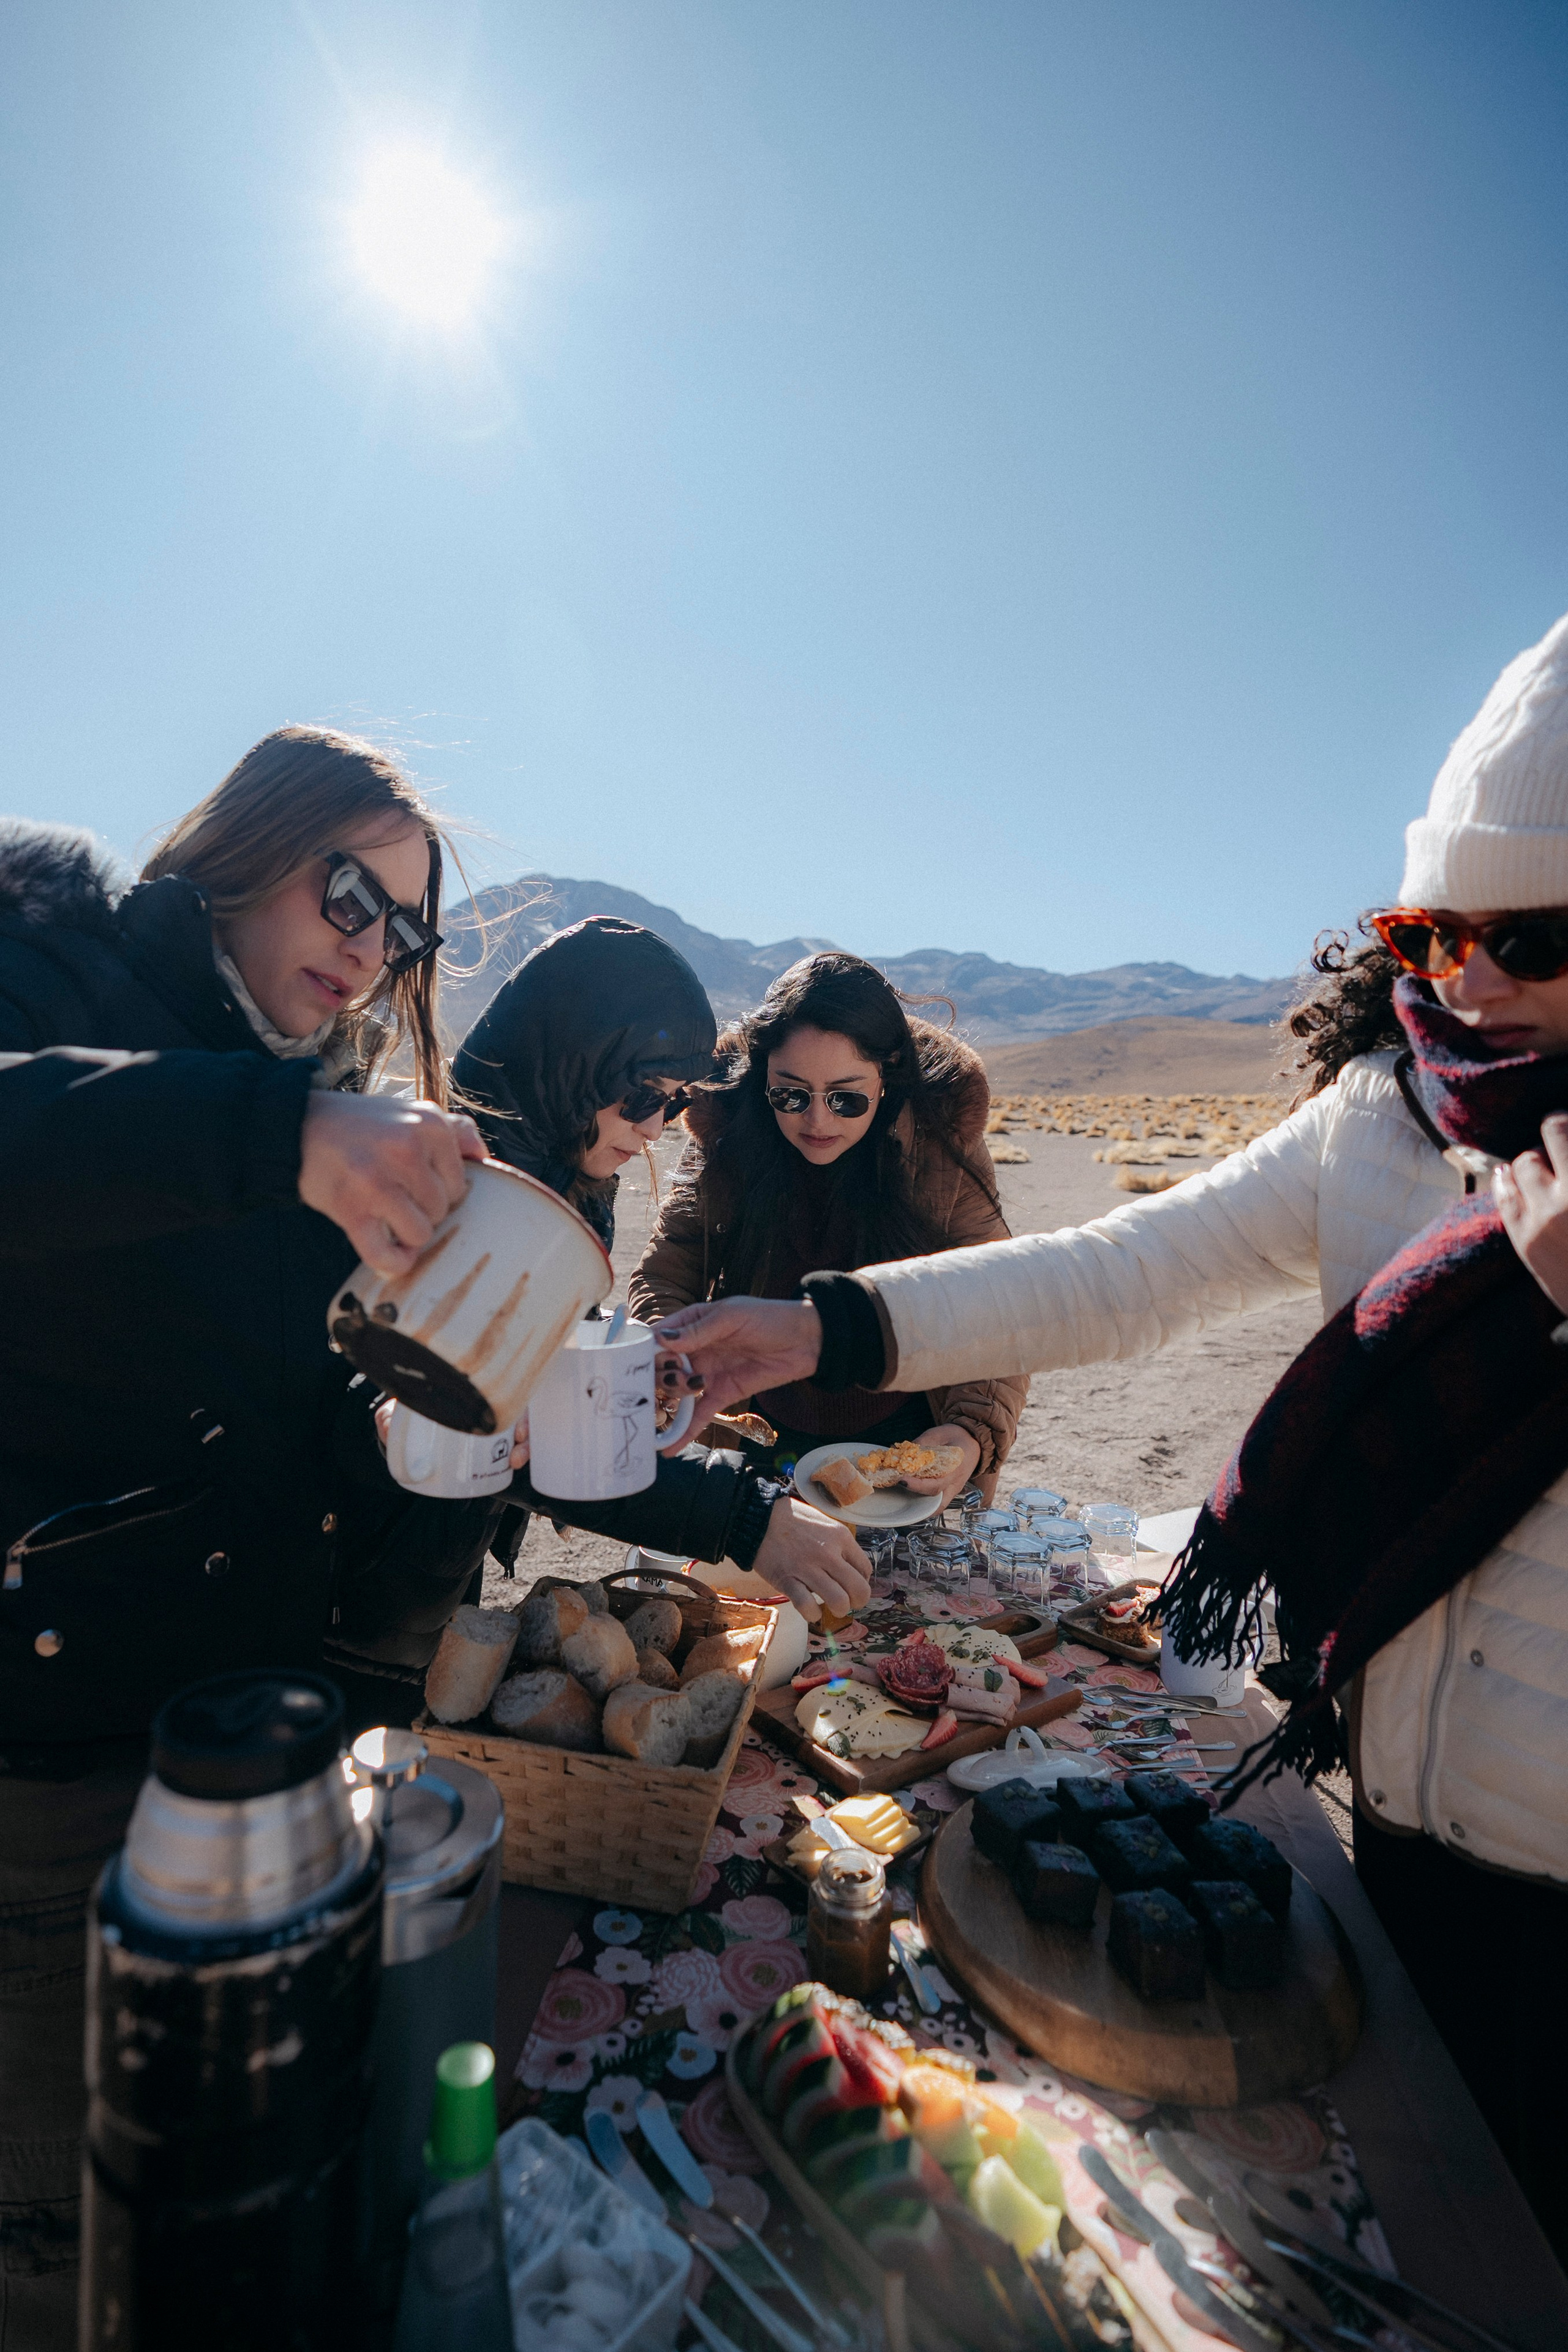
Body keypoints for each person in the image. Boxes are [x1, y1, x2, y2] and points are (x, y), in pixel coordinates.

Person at [658, 613, 1568, 2257]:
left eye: (1531, 936)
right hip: (1392, 1824)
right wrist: (824, 1326)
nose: (1471, 981)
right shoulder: (1396, 1113)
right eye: (1432, 933)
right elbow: (1123, 1269)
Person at [0, 727, 489, 2348]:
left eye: (405, 932)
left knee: (241, 2202)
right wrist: (266, 1134)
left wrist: (492, 1403)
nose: (370, 948)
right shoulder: (59, 976)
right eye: (351, 891)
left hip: (261, 1762)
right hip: (55, 1782)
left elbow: (309, 1434)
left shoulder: (328, 1115)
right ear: (246, 837)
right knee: (70, 2232)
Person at [326, 918, 870, 1709]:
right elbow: (492, 1418)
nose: (653, 1127)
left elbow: (534, 1394)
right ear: (573, 1064)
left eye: (673, 1102)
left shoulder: (562, 1171)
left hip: (425, 1562)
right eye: (640, 1093)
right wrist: (745, 1515)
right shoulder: (471, 1191)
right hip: (357, 1591)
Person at [628, 951, 1026, 1502]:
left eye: (846, 1098)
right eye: (790, 1094)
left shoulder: (937, 1143)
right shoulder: (729, 1136)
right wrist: (670, 1361)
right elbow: (670, 1268)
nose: (817, 1120)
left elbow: (997, 1296)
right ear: (761, 1078)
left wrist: (968, 1433)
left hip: (907, 1440)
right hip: (760, 1430)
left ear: (886, 1079)